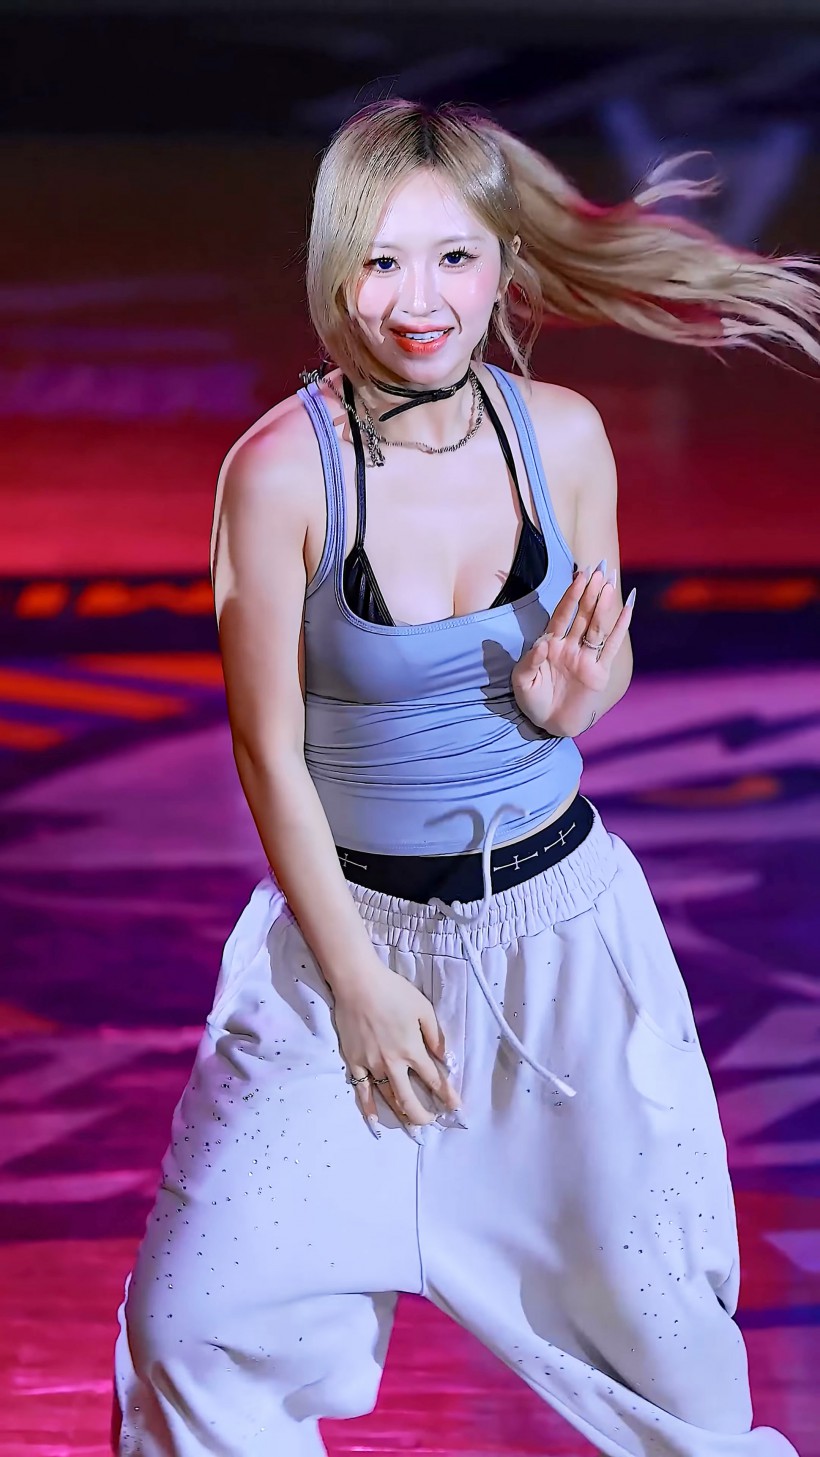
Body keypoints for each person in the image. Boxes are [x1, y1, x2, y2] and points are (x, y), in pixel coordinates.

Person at [112, 100, 820, 1457]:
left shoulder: (564, 438)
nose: (418, 300)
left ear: (505, 263)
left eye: (453, 258)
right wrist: (359, 985)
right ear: (334, 270)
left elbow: (598, 657)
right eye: (381, 260)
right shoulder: (278, 472)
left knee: (674, 1365)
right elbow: (267, 749)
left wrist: (569, 703)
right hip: (347, 947)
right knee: (196, 1326)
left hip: (563, 947)